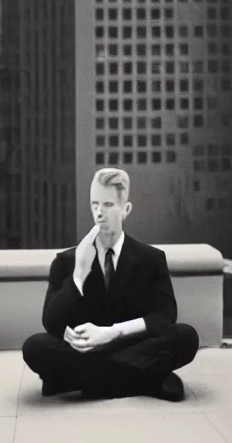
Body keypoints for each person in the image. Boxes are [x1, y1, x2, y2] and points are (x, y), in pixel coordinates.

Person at [21, 168, 199, 401]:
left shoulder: (151, 259)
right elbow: (51, 323)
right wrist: (78, 276)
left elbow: (165, 316)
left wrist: (111, 333)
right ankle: (147, 380)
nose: (99, 214)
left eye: (107, 205)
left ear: (126, 210)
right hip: (88, 352)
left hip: (129, 346)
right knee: (34, 347)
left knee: (186, 337)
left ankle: (78, 382)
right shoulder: (67, 261)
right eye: (95, 204)